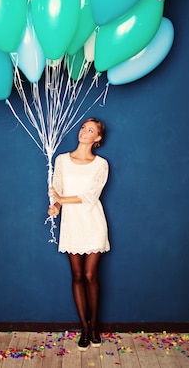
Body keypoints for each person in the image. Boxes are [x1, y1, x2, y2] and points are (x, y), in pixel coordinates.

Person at [48, 117, 110, 351]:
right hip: (72, 224)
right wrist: (56, 206)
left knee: (90, 274)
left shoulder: (101, 164)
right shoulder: (62, 160)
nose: (84, 131)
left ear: (98, 138)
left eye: (90, 130)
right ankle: (84, 328)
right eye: (83, 127)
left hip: (93, 223)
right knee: (76, 275)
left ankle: (95, 325)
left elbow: (90, 196)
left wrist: (62, 199)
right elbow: (58, 191)